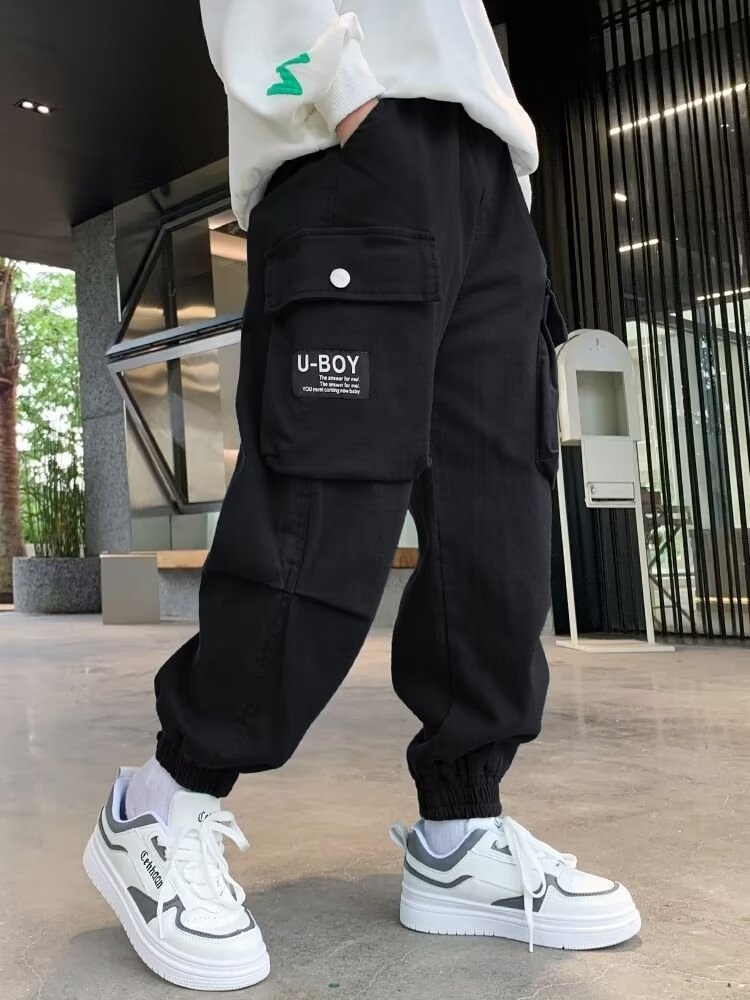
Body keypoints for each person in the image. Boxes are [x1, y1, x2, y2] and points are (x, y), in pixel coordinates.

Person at [83, 1, 641, 990]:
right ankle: (159, 805)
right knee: (320, 522)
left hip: (488, 179)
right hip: (355, 144)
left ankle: (460, 832)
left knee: (497, 528)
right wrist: (336, 93)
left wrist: (498, 176)